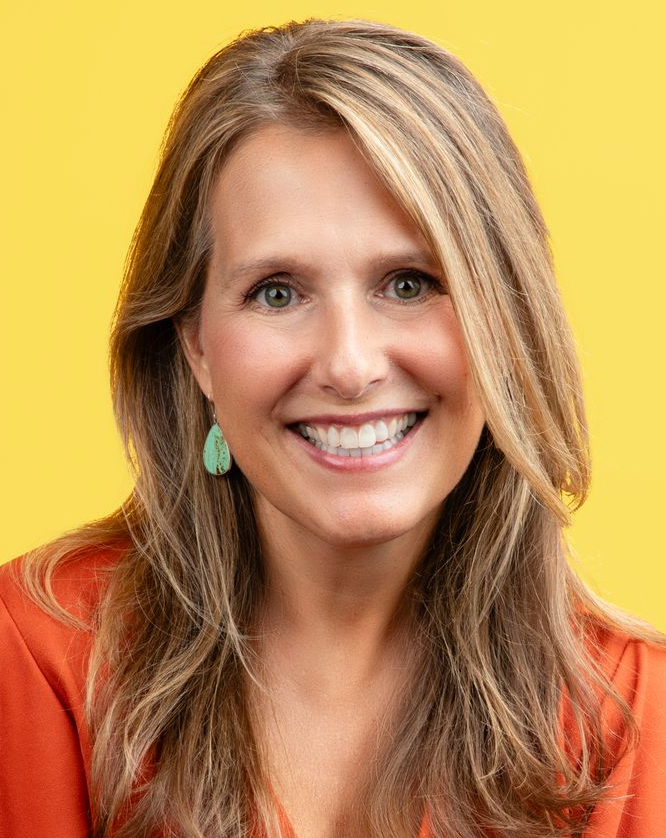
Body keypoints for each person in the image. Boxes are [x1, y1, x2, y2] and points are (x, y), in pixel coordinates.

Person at [1, 17, 665, 838]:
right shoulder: (33, 661)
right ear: (198, 348)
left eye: (411, 282)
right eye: (278, 292)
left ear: (507, 320)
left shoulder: (636, 719)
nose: (350, 366)